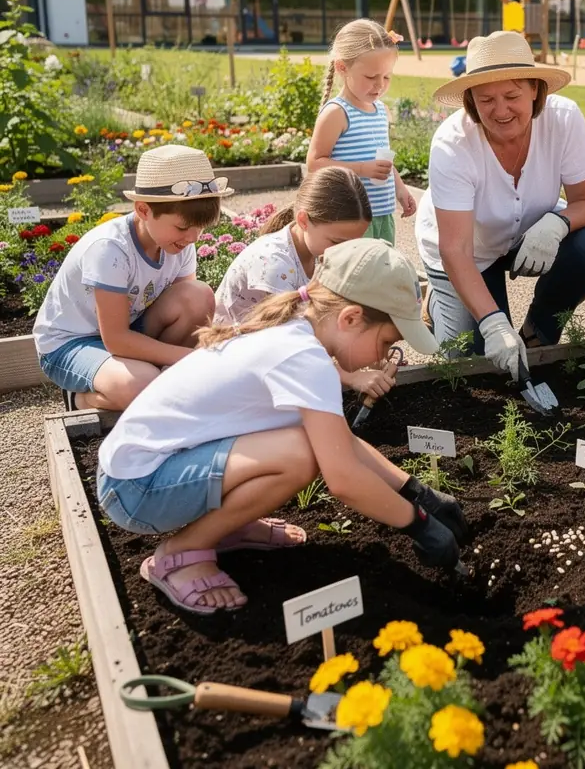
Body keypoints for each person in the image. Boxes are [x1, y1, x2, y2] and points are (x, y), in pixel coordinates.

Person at [96, 239, 469, 614]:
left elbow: (343, 442)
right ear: (350, 318)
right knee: (301, 455)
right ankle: (180, 556)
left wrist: (417, 492)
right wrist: (418, 525)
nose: (384, 356)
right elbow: (343, 479)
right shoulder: (305, 359)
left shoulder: (296, 332)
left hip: (148, 469)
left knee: (309, 444)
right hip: (135, 488)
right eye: (387, 341)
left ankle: (227, 525)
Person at [416, 31, 585, 379]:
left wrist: (556, 226)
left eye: (511, 95)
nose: (501, 110)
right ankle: (436, 302)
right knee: (469, 361)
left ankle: (538, 334)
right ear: (470, 99)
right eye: (486, 98)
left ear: (535, 89)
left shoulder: (563, 119)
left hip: (531, 234)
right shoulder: (452, 143)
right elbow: (455, 249)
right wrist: (493, 325)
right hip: (467, 250)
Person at [34, 145, 228, 413]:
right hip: (70, 344)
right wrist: (189, 358)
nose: (193, 238)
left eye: (200, 229)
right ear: (143, 210)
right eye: (183, 227)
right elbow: (115, 339)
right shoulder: (110, 249)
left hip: (130, 328)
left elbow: (187, 306)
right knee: (141, 385)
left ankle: (156, 380)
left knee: (198, 295)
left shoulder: (179, 242)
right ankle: (80, 399)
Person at [214, 166, 400, 399]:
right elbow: (288, 348)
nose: (346, 252)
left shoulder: (321, 251)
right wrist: (349, 376)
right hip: (236, 365)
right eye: (337, 241)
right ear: (303, 220)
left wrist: (368, 353)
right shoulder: (273, 265)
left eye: (354, 243)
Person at [307, 18, 416, 244]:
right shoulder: (337, 113)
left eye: (386, 77)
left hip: (383, 214)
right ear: (341, 67)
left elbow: (384, 161)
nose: (379, 85)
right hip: (349, 217)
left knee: (382, 271)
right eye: (370, 77)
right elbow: (315, 163)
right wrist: (362, 169)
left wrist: (400, 189)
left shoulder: (380, 110)